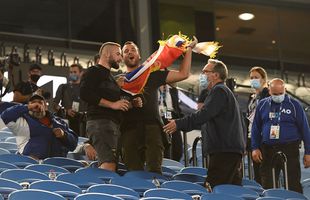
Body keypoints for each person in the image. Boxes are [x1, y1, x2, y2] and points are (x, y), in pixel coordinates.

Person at [164, 59, 245, 188]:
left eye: (205, 72)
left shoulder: (219, 91)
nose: (202, 75)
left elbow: (204, 115)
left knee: (214, 189)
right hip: (231, 150)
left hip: (224, 151)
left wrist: (179, 123)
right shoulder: (225, 92)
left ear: (216, 75)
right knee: (230, 192)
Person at [120, 38, 197, 174]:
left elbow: (183, 74)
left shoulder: (151, 75)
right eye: (126, 51)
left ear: (139, 56)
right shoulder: (119, 80)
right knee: (132, 173)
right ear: (121, 57)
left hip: (153, 129)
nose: (130, 52)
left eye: (133, 50)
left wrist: (189, 50)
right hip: (128, 130)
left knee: (154, 172)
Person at [80, 42, 141, 171]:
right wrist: (113, 104)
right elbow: (84, 93)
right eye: (118, 54)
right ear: (107, 54)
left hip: (111, 126)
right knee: (108, 166)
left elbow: (116, 104)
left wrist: (131, 104)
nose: (120, 58)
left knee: (111, 165)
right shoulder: (94, 71)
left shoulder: (111, 78)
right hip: (101, 124)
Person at [251, 78, 310, 193]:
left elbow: (305, 129)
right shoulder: (262, 105)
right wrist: (255, 148)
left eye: (280, 93)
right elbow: (256, 128)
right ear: (269, 91)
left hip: (289, 148)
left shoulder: (294, 105)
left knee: (293, 183)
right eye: (275, 94)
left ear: (285, 90)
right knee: (267, 184)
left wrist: (308, 152)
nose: (278, 96)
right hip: (267, 149)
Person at [0, 94, 78, 160]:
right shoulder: (22, 120)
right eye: (33, 103)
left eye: (40, 103)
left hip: (57, 164)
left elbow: (73, 145)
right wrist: (27, 107)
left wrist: (64, 135)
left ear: (46, 107)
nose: (37, 105)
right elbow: (5, 116)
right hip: (31, 162)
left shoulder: (60, 122)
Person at [246, 66, 269, 184]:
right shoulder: (252, 98)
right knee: (257, 175)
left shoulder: (267, 95)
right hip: (252, 138)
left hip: (263, 140)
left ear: (264, 79)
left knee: (264, 174)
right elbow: (248, 119)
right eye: (251, 78)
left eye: (256, 77)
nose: (253, 80)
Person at [53, 64, 88, 136]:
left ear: (81, 73)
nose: (72, 74)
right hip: (66, 122)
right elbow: (55, 104)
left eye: (75, 72)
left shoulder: (86, 88)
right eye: (71, 72)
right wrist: (65, 111)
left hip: (82, 123)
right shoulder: (63, 87)